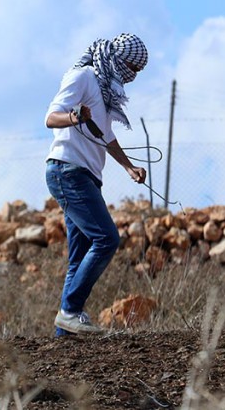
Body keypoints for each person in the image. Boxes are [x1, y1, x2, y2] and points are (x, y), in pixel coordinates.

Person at [44, 33, 148, 336]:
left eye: (138, 72)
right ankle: (70, 311)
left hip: (87, 176)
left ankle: (66, 334)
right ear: (117, 59)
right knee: (106, 239)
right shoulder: (83, 77)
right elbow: (51, 118)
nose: (133, 75)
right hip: (68, 171)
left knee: (79, 255)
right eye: (131, 67)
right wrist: (74, 117)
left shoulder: (104, 91)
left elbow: (105, 136)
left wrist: (129, 167)